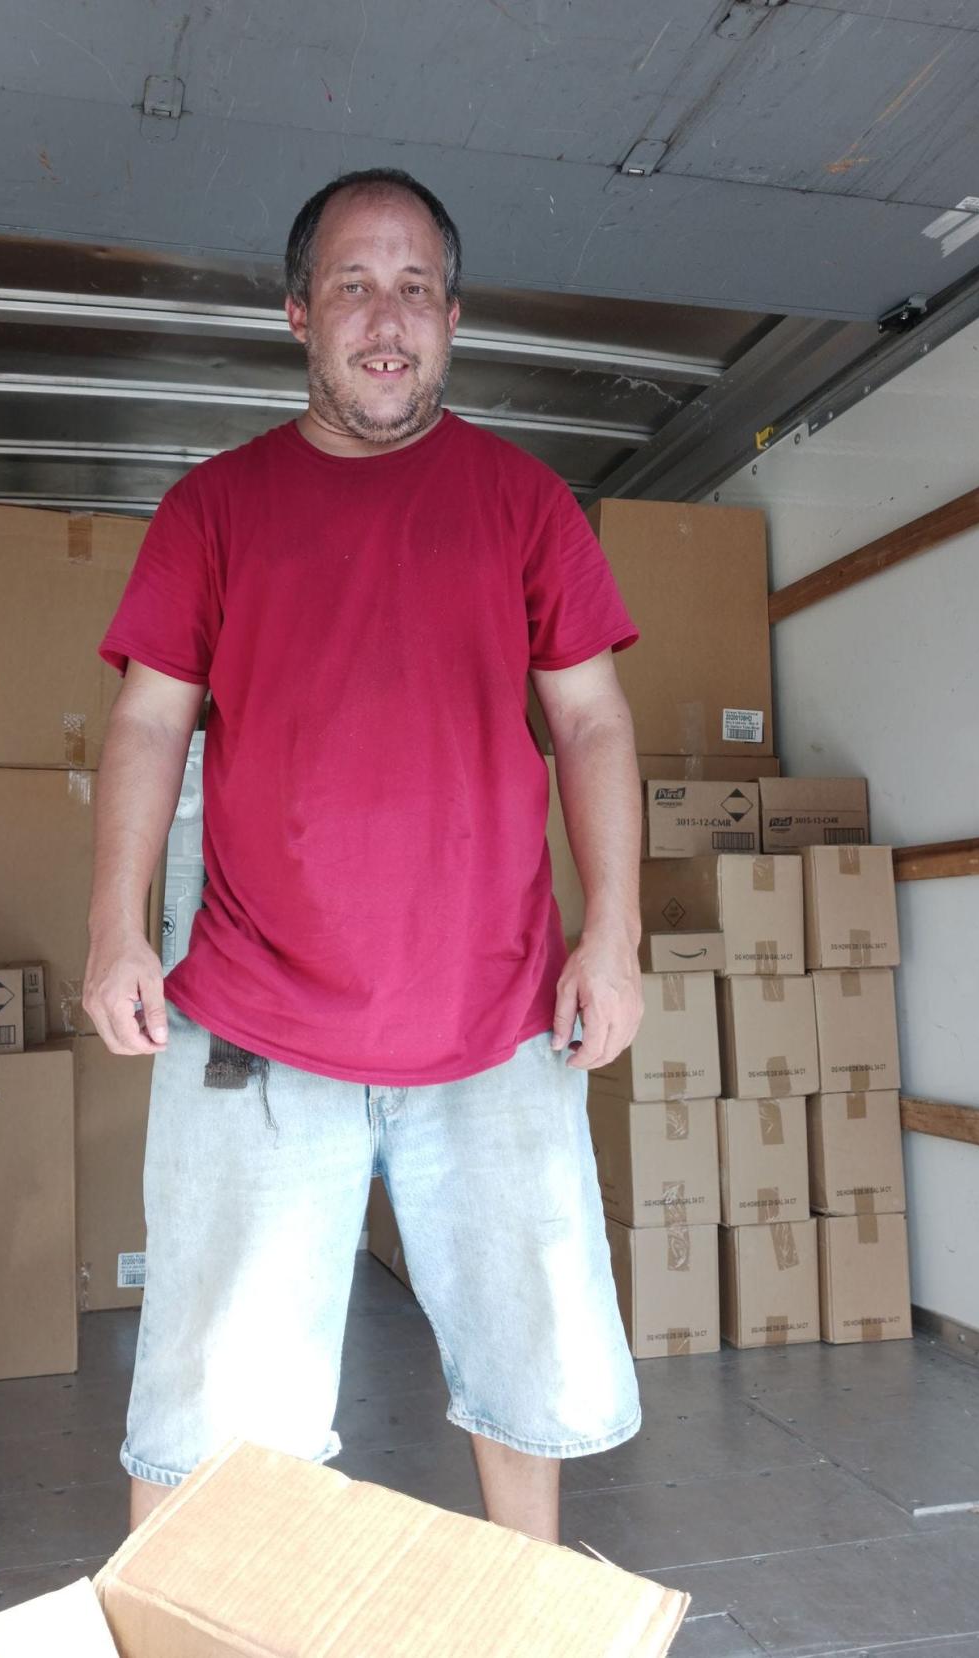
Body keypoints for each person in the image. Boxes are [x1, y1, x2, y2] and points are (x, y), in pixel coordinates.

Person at [84, 167, 644, 1545]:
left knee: (531, 1370)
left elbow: (590, 720)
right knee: (203, 1402)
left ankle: (530, 1621)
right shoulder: (214, 507)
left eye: (411, 288)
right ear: (297, 314)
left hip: (499, 1012)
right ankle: (180, 1634)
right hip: (259, 1019)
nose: (382, 318)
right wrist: (111, 926)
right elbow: (150, 720)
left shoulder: (525, 503)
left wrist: (614, 932)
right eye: (351, 285)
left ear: (452, 316)